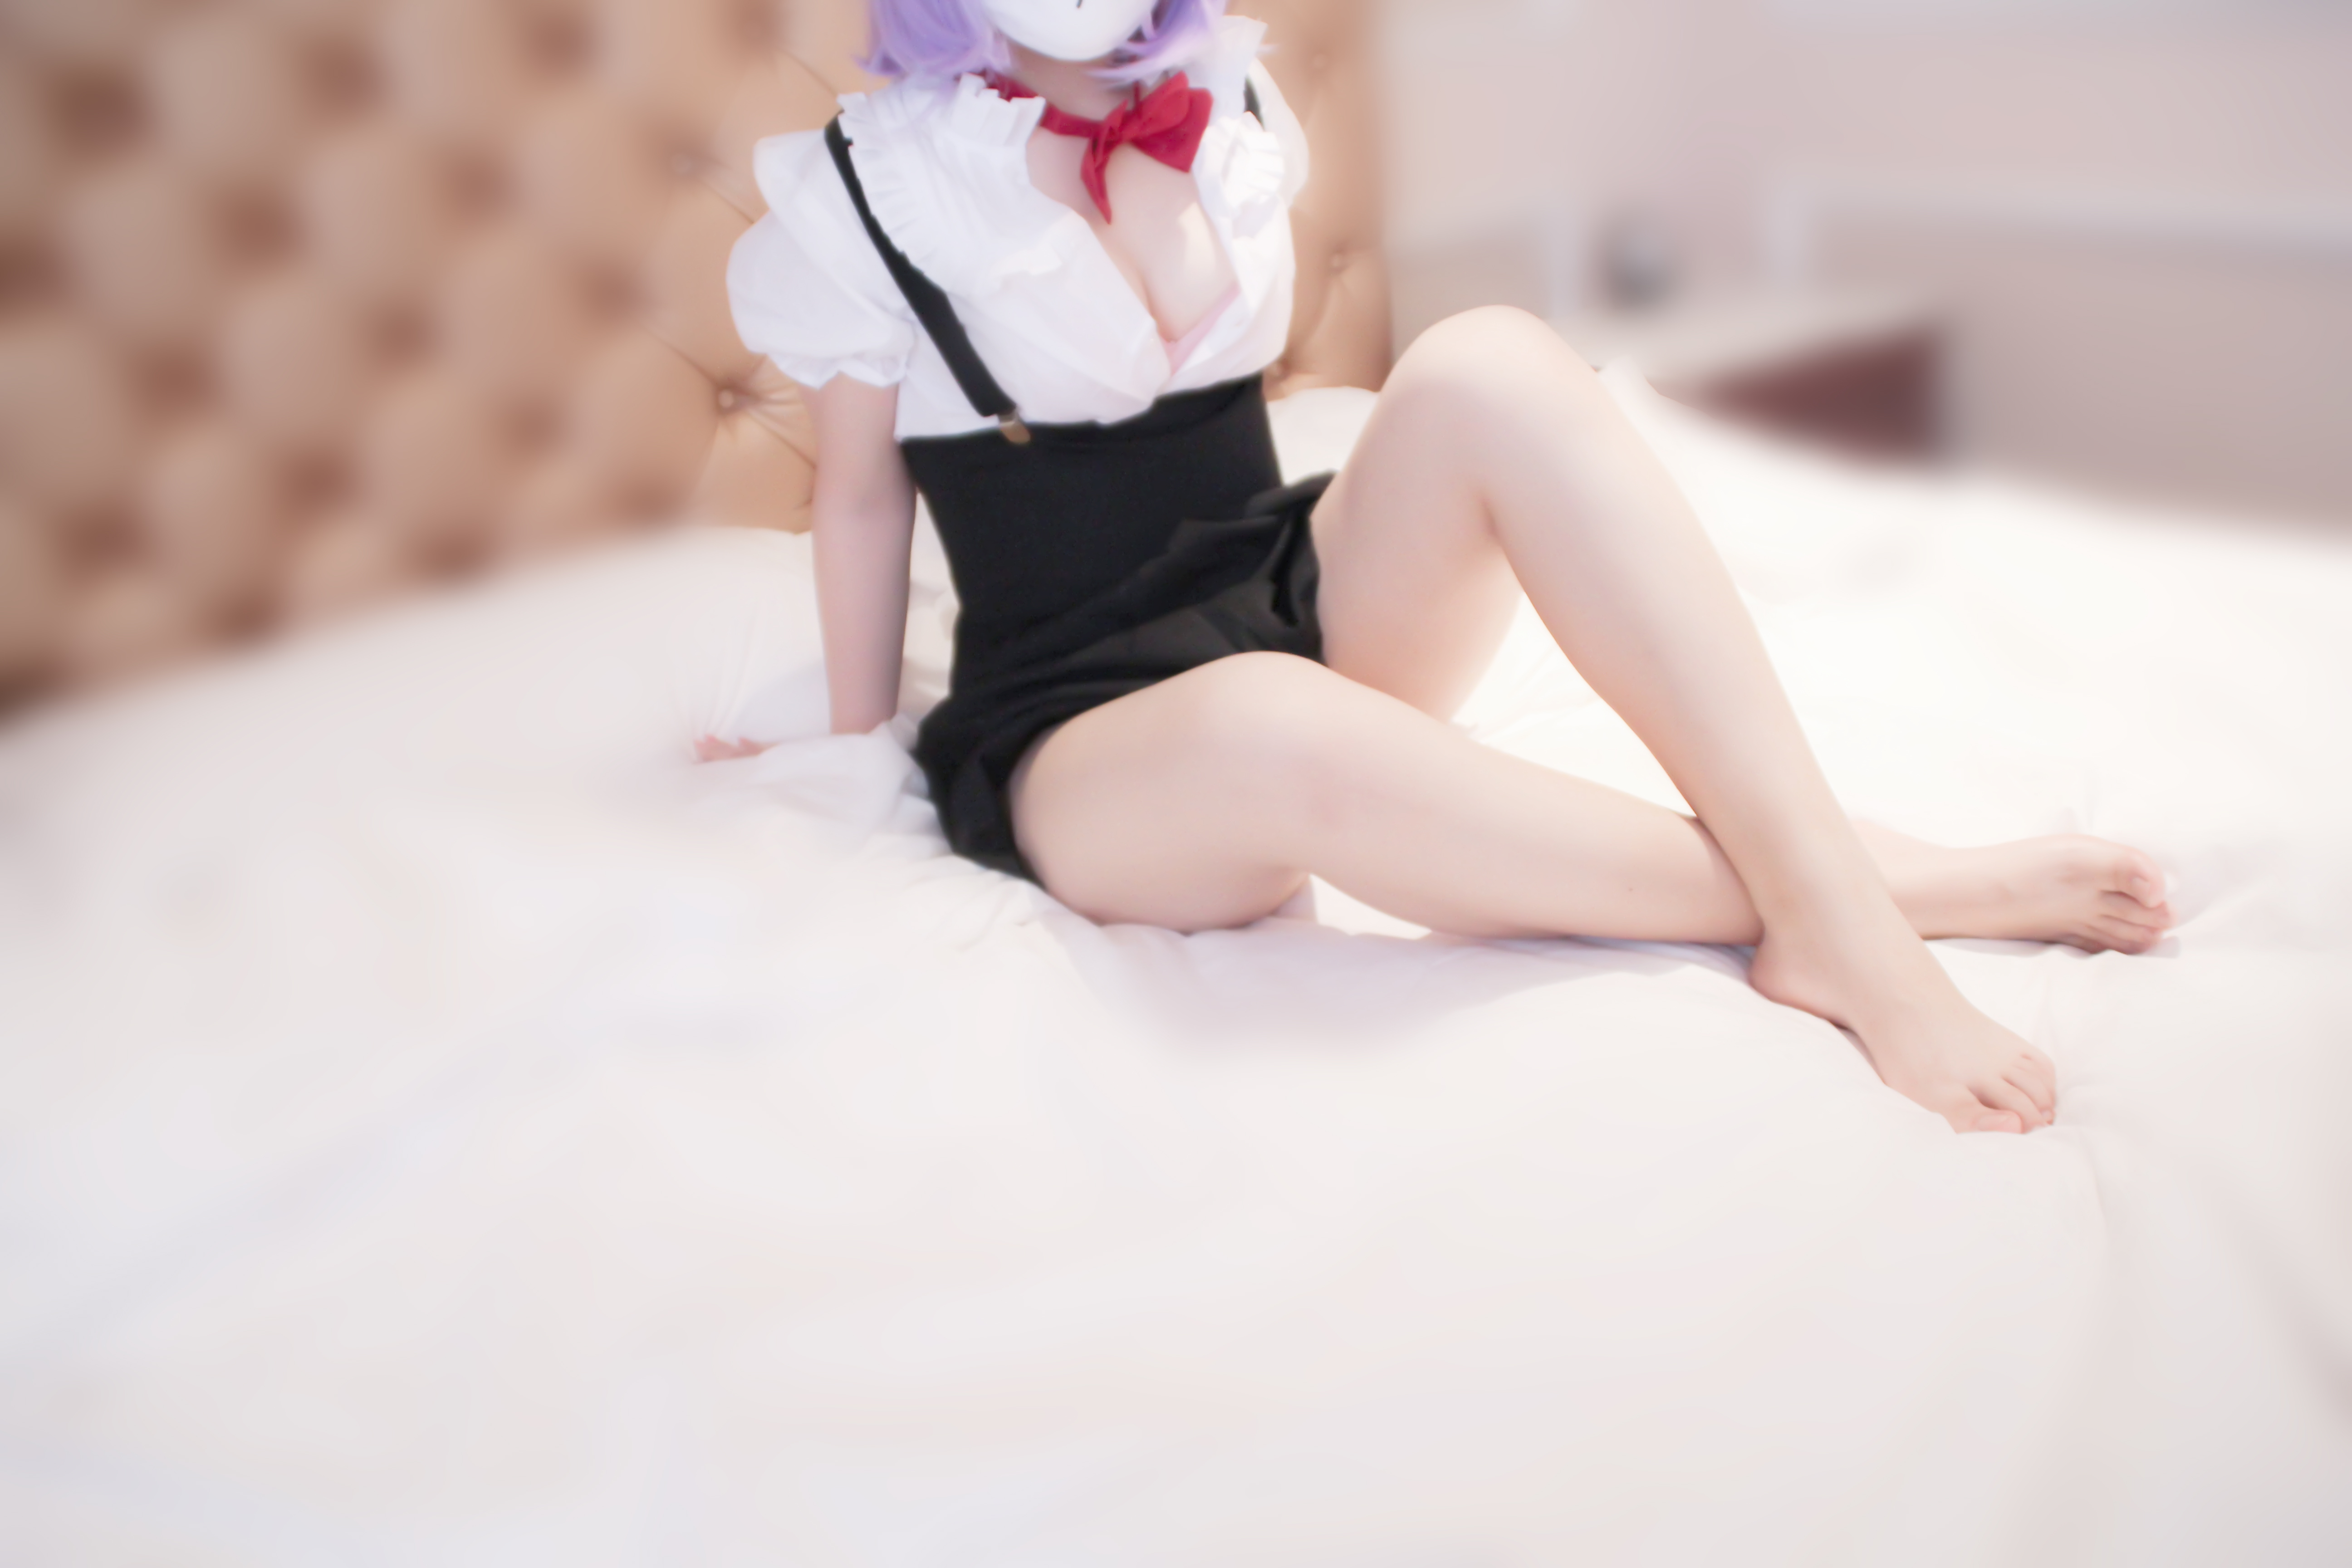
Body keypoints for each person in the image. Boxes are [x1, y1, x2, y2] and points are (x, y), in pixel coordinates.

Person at [715, 0, 2173, 1135]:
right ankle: (1877, 898)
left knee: (1493, 359)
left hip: (1286, 594)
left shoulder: (1224, 91)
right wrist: (851, 750)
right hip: (1081, 731)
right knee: (1268, 721)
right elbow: (861, 505)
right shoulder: (874, 188)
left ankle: (1827, 902)